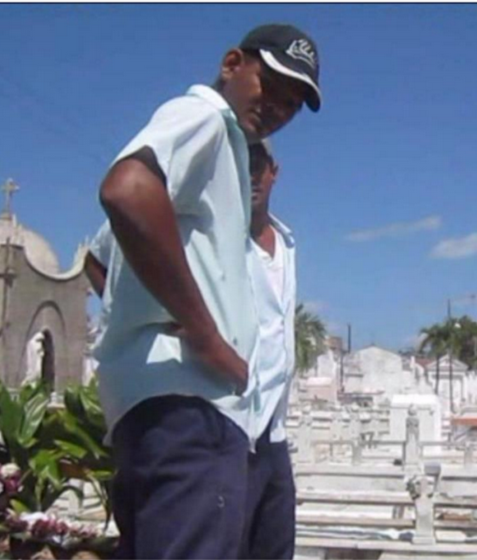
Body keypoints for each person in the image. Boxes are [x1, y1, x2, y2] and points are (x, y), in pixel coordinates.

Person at [92, 24, 321, 560]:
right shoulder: (208, 118)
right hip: (194, 404)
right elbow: (126, 192)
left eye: (293, 103)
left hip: (225, 418)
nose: (279, 109)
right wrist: (202, 332)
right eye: (272, 85)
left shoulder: (233, 175)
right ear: (232, 63)